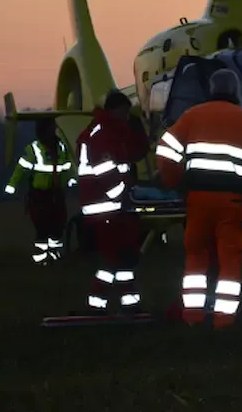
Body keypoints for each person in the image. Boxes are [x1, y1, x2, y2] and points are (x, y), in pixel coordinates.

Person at [155, 69, 242, 328]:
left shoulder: (191, 116)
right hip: (232, 202)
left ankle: (193, 317)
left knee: (196, 257)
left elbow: (165, 150)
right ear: (236, 91)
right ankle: (223, 320)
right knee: (229, 260)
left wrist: (176, 182)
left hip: (197, 200)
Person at [76, 89, 149, 315]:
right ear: (116, 110)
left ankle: (128, 305)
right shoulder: (102, 134)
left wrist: (138, 132)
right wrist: (125, 194)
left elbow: (135, 152)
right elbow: (106, 171)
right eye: (126, 113)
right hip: (107, 207)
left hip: (111, 207)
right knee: (113, 261)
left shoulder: (110, 131)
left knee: (124, 258)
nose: (127, 117)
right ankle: (98, 305)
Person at [4, 118, 75, 263]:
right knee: (42, 225)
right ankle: (42, 257)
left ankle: (54, 254)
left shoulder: (61, 148)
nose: (53, 132)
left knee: (59, 224)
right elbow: (21, 169)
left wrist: (72, 179)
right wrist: (12, 185)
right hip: (40, 194)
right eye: (50, 129)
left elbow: (68, 166)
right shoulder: (33, 149)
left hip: (57, 193)